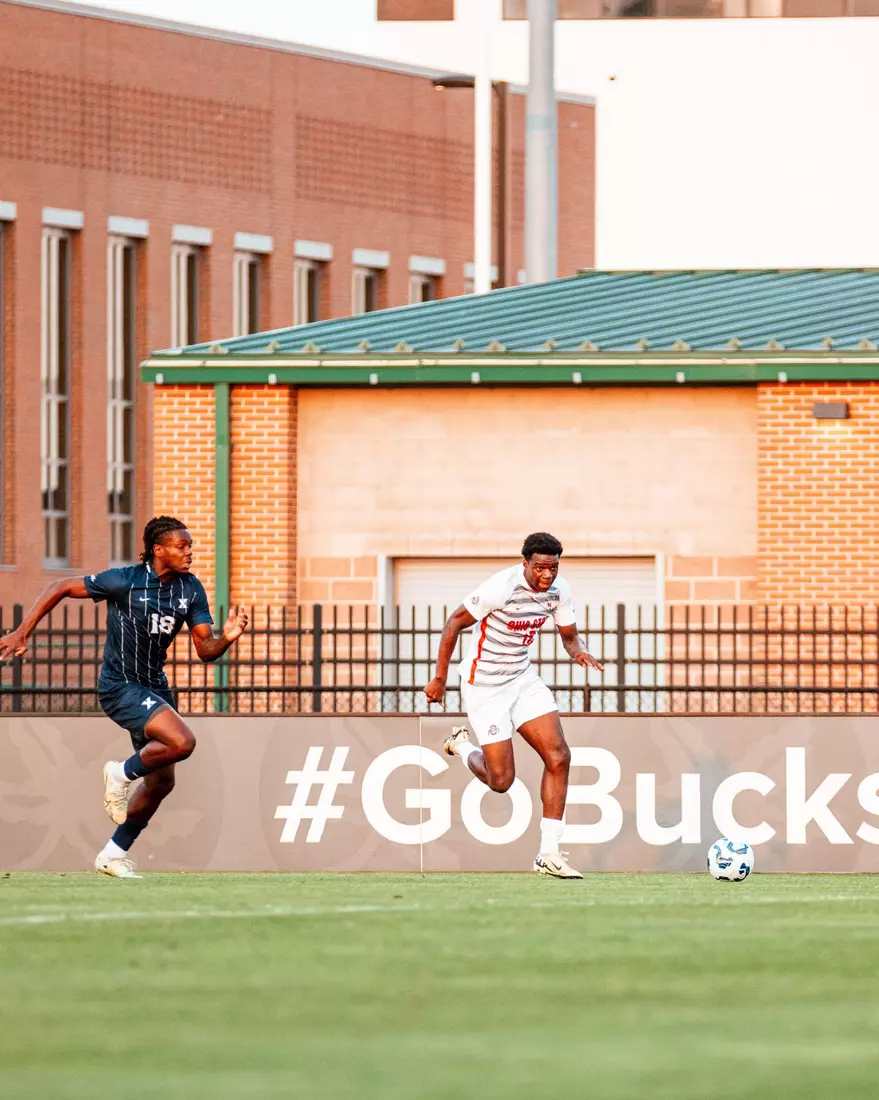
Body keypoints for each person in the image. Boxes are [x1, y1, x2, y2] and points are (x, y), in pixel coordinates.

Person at [0, 516, 248, 878]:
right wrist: (22, 632)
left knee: (162, 783)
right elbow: (61, 586)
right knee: (183, 740)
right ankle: (118, 773)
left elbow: (205, 651)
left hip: (154, 687)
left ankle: (112, 854)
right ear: (159, 549)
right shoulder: (125, 580)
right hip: (120, 685)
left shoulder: (190, 588)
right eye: (182, 546)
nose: (189, 552)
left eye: (190, 546)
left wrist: (227, 637)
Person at [423, 532, 604, 879]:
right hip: (484, 687)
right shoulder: (500, 587)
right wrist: (440, 679)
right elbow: (454, 624)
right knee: (502, 781)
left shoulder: (559, 590)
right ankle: (461, 746)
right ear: (525, 564)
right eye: (539, 568)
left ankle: (548, 853)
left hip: (522, 680)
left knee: (559, 756)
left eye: (553, 567)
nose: (547, 575)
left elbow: (568, 637)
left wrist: (578, 651)